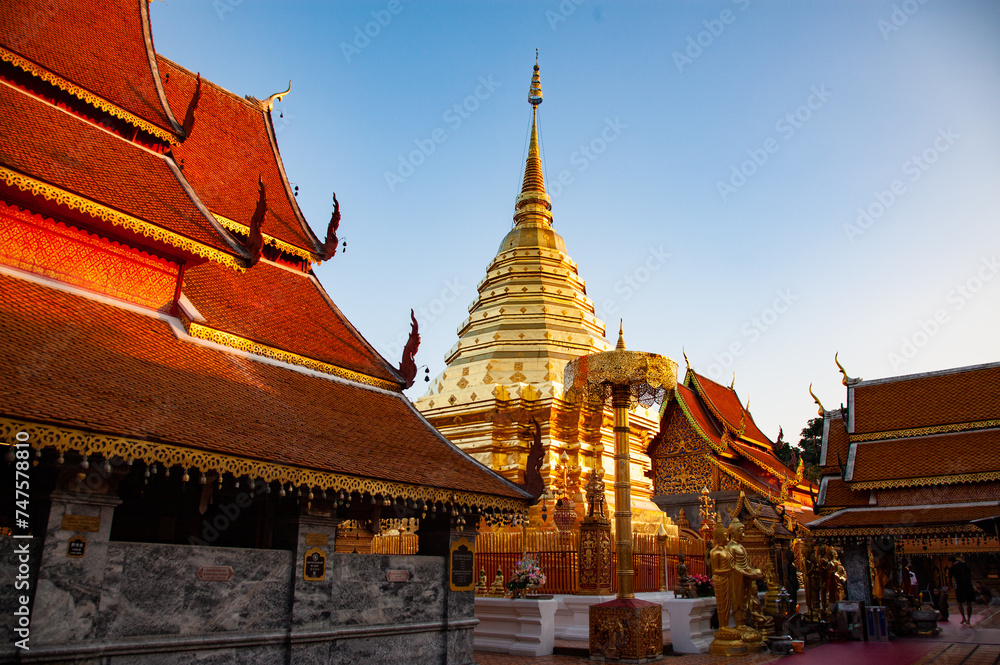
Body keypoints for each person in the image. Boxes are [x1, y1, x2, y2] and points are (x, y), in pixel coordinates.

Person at [949, 556, 975, 624]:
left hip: (959, 587)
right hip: (968, 585)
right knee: (969, 603)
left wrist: (949, 588)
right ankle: (968, 619)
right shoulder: (963, 564)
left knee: (959, 602)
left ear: (951, 562)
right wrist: (969, 580)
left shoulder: (952, 568)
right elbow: (971, 573)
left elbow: (949, 579)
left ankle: (963, 618)